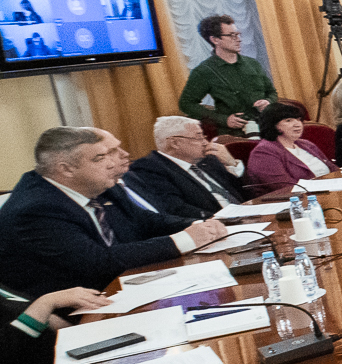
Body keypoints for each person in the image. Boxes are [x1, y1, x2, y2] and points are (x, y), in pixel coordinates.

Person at [0, 127, 225, 298]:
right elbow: (98, 262)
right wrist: (184, 240)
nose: (111, 163)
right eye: (100, 158)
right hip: (77, 310)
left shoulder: (99, 185)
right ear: (66, 169)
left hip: (126, 286)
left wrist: (199, 225)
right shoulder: (35, 209)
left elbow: (144, 220)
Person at [125, 114, 249, 218]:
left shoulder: (208, 159)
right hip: (215, 224)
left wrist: (232, 163)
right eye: (199, 137)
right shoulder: (149, 168)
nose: (205, 142)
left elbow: (243, 191)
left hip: (245, 214)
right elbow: (176, 209)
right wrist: (225, 218)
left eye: (204, 137)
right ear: (175, 143)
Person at [177, 15, 278, 132]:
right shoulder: (204, 71)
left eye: (237, 34)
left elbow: (271, 92)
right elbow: (186, 104)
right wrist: (223, 119)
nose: (238, 39)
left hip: (267, 126)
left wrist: (268, 102)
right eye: (232, 35)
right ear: (215, 40)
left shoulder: (252, 63)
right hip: (236, 133)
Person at [243, 101, 332, 199]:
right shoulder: (263, 152)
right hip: (292, 202)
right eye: (288, 120)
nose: (297, 124)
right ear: (273, 124)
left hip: (326, 194)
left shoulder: (306, 144)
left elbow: (333, 169)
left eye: (299, 119)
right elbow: (287, 188)